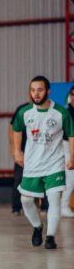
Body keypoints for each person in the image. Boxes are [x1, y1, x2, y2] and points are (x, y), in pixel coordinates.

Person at [12, 75, 74, 249]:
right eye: (33, 90)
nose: (36, 94)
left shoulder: (61, 112)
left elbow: (71, 134)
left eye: (39, 90)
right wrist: (17, 151)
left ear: (48, 91)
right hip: (32, 164)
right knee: (25, 200)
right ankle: (37, 227)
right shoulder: (25, 112)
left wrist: (72, 157)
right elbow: (16, 129)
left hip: (54, 163)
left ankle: (50, 237)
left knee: (54, 199)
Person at [62, 86, 74, 217]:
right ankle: (63, 207)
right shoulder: (66, 112)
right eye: (72, 94)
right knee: (70, 178)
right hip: (67, 146)